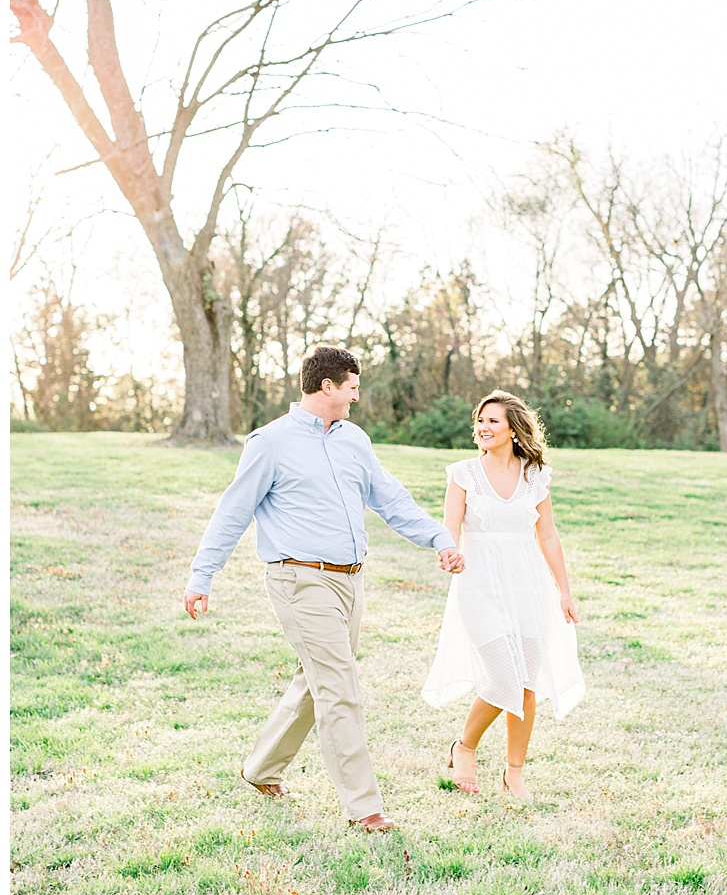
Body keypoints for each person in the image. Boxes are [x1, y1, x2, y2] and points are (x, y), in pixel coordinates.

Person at [183, 344, 466, 834]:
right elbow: (233, 512)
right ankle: (364, 808)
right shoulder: (268, 443)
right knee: (339, 687)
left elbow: (391, 499)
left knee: (315, 683)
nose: (357, 397)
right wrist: (201, 576)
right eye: (352, 387)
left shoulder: (355, 440)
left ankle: (261, 768)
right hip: (298, 579)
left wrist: (439, 537)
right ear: (327, 386)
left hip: (349, 582)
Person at [424, 390, 584, 799]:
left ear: (512, 428)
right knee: (503, 675)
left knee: (527, 682)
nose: (483, 427)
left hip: (527, 583)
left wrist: (564, 590)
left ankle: (515, 772)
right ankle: (465, 746)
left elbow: (547, 534)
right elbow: (450, 528)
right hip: (478, 584)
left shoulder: (535, 476)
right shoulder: (463, 474)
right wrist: (449, 554)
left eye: (492, 421)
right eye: (479, 421)